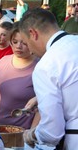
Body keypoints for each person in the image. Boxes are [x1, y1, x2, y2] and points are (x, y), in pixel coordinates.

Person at [19, 8, 78, 149]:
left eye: (26, 44)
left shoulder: (46, 65)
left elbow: (52, 132)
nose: (31, 51)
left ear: (33, 34)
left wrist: (32, 135)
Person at [0, 22, 39, 130]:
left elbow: (42, 108)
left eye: (24, 43)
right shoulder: (3, 61)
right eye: (15, 42)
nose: (19, 46)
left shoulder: (40, 68)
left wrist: (31, 134)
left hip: (20, 135)